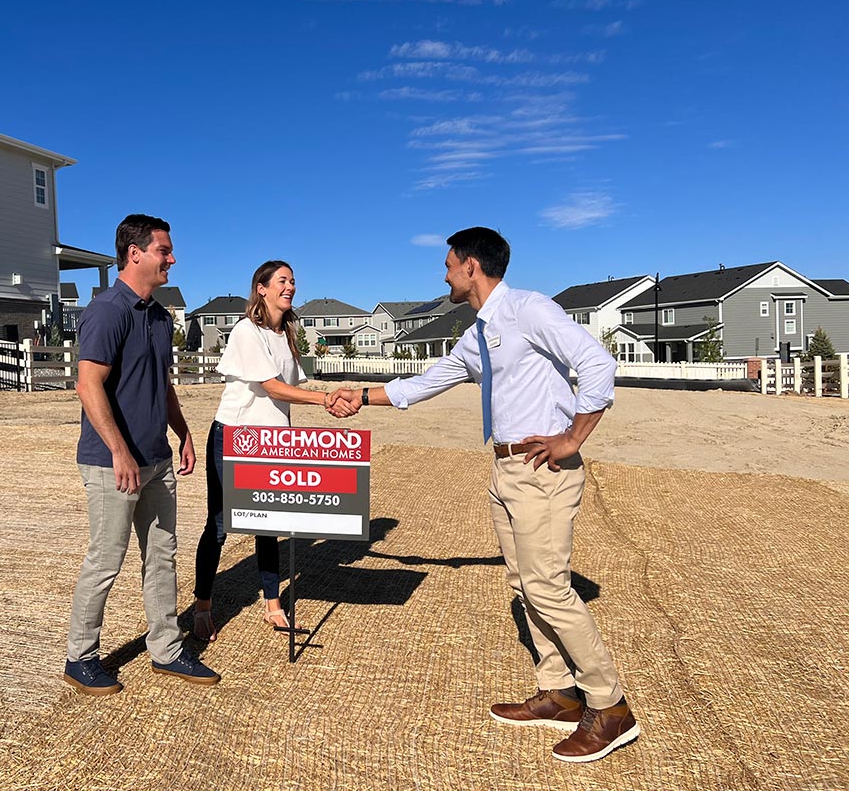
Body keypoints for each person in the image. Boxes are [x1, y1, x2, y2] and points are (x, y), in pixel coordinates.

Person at [332, 227, 638, 763]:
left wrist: (572, 438)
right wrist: (357, 396)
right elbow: (423, 382)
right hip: (506, 469)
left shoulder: (529, 309)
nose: (444, 274)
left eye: (448, 265)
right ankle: (560, 692)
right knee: (524, 584)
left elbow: (598, 365)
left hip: (543, 465)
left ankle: (609, 706)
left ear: (472, 266)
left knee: (547, 585)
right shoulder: (476, 335)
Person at [64, 214, 219, 695]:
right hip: (113, 462)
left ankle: (167, 650)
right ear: (135, 254)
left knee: (162, 555)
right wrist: (118, 451)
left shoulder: (158, 316)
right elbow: (87, 385)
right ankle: (80, 657)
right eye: (164, 251)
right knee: (105, 560)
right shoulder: (108, 311)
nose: (172, 259)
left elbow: (162, 385)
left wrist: (184, 433)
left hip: (155, 459)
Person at [192, 260, 355, 641]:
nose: (290, 286)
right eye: (282, 280)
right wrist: (323, 399)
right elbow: (272, 387)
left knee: (268, 523)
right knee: (219, 526)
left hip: (271, 441)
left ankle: (272, 604)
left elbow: (291, 387)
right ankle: (202, 606)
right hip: (234, 437)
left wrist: (336, 396)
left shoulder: (287, 333)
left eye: (293, 281)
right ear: (261, 288)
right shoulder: (248, 332)